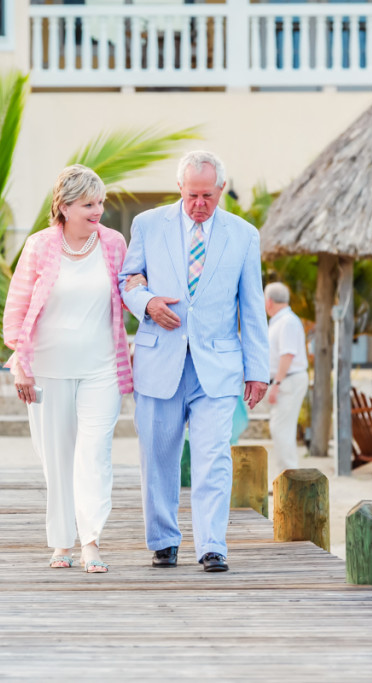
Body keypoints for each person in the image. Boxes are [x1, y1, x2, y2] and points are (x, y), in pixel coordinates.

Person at [119, 150, 270, 573]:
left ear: (221, 189)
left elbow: (252, 306)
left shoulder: (244, 235)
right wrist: (147, 303)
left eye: (207, 195)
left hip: (217, 366)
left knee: (213, 457)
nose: (199, 204)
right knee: (158, 458)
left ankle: (212, 546)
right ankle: (164, 541)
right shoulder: (148, 225)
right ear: (180, 188)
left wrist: (258, 370)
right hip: (159, 360)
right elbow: (127, 279)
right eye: (191, 195)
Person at [3, 165, 133, 574]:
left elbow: (129, 291)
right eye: (88, 204)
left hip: (102, 369)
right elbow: (16, 309)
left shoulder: (113, 243)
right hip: (47, 369)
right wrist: (20, 365)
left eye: (101, 203)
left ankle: (91, 542)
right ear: (63, 207)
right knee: (56, 458)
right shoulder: (40, 246)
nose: (98, 211)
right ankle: (62, 543)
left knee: (94, 454)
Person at [264, 282, 310, 485]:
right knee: (281, 429)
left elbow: (288, 354)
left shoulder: (287, 322)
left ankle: (289, 480)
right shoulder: (280, 321)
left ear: (269, 301)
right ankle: (285, 477)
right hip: (286, 379)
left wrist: (277, 383)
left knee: (281, 429)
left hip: (289, 380)